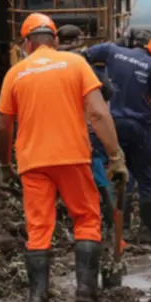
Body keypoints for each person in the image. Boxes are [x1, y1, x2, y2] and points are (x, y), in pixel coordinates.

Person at [0, 13, 128, 302]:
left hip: (33, 163)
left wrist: (4, 165)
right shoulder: (77, 65)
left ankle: (38, 301)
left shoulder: (15, 73)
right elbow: (97, 113)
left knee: (39, 228)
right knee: (86, 219)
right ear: (54, 40)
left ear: (27, 43)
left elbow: (3, 126)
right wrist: (115, 155)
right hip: (73, 158)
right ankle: (85, 293)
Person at [83, 30, 151, 245]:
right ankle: (148, 230)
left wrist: (101, 81)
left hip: (112, 125)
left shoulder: (111, 50)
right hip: (139, 127)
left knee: (120, 174)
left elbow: (82, 57)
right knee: (145, 177)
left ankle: (122, 229)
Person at [58, 25, 116, 240]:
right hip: (85, 130)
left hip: (54, 131)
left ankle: (63, 225)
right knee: (97, 174)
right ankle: (110, 225)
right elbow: (106, 92)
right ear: (79, 38)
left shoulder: (45, 63)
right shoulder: (84, 63)